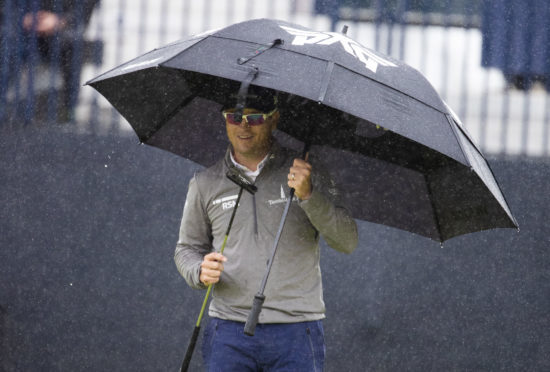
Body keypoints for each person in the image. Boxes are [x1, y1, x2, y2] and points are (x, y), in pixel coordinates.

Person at [174, 87, 358, 371]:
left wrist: (309, 196)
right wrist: (199, 270)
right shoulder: (205, 182)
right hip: (228, 330)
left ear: (274, 119)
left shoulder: (307, 171)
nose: (243, 126)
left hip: (297, 330)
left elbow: (347, 240)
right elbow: (186, 249)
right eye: (234, 116)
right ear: (224, 120)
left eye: (255, 118)